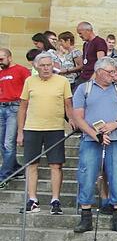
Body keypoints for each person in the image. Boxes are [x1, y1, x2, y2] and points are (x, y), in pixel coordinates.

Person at [71, 57, 117, 233]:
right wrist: (94, 134)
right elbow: (78, 117)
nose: (114, 75)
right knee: (87, 174)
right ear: (99, 71)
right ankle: (85, 216)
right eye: (110, 72)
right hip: (91, 138)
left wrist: (115, 124)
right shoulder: (84, 88)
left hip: (115, 138)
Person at [17, 52, 74, 215]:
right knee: (31, 164)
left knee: (56, 165)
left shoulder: (62, 81)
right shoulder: (29, 81)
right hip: (32, 128)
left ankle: (55, 199)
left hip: (55, 128)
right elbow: (22, 107)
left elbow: (68, 105)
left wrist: (72, 120)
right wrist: (20, 132)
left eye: (49, 65)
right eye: (42, 65)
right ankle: (32, 199)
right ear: (36, 66)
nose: (46, 68)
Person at [0, 49, 30, 184]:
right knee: (2, 143)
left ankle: (5, 174)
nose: (0, 62)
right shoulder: (1, 73)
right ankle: (15, 168)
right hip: (2, 106)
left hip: (15, 107)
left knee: (8, 142)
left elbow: (29, 88)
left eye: (1, 59)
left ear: (9, 57)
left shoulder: (21, 70)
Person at [76, 21, 109, 86]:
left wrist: (92, 79)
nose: (80, 36)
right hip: (83, 77)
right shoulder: (85, 44)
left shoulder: (99, 42)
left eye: (80, 33)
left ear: (88, 30)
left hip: (93, 78)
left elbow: (101, 62)